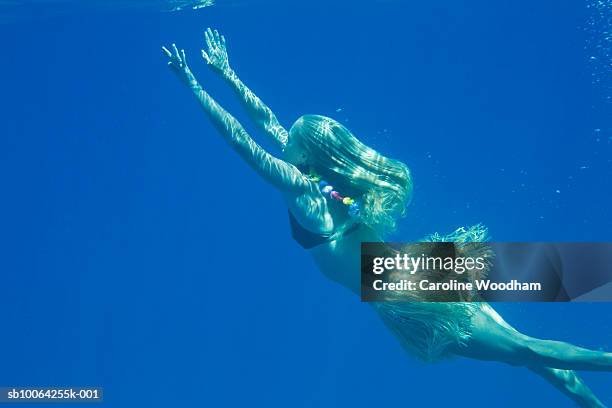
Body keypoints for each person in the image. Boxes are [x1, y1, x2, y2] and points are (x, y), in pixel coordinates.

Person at [161, 28, 611, 407]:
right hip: (409, 266)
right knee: (527, 352)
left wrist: (195, 87)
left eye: (291, 140)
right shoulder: (318, 173)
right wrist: (226, 72)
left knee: (525, 350)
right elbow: (268, 123)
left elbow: (244, 141)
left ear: (305, 152)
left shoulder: (301, 188)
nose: (283, 138)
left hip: (401, 290)